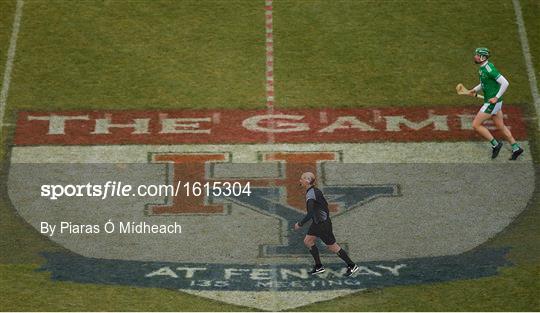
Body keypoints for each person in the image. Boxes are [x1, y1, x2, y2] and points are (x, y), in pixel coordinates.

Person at [293, 172, 359, 276]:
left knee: (333, 247)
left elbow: (310, 213)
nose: (300, 181)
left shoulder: (311, 194)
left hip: (322, 225)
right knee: (308, 241)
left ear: (307, 180)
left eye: (302, 179)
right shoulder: (314, 191)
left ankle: (352, 265)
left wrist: (300, 224)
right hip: (318, 223)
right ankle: (319, 267)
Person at [469, 47, 524, 160]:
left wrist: (496, 97)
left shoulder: (489, 70)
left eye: (477, 55)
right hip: (496, 104)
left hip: (492, 104)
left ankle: (495, 144)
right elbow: (484, 83)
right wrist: (474, 89)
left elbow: (505, 83)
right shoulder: (483, 68)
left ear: (482, 57)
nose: (475, 56)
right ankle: (516, 147)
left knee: (476, 125)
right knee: (500, 126)